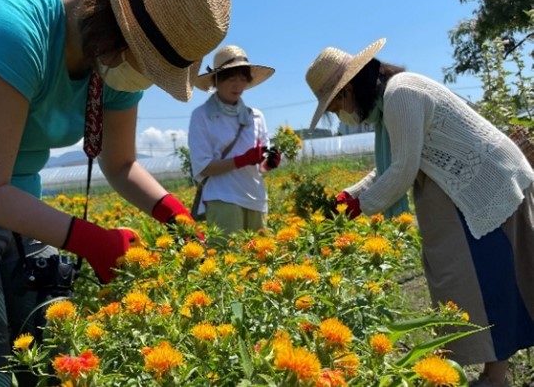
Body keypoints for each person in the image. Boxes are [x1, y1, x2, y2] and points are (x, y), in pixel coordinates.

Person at [0, 0, 230, 387]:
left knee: (61, 365)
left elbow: (120, 164)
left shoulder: (112, 65)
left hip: (16, 207)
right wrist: (92, 241)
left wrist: (179, 220)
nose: (148, 82)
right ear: (116, 35)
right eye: (149, 67)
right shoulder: (11, 28)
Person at [305, 38, 534, 387]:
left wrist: (357, 206)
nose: (340, 115)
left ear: (348, 89)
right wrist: (347, 197)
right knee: (483, 279)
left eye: (335, 106)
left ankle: (495, 377)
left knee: (490, 279)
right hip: (472, 186)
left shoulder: (401, 94)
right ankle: (494, 374)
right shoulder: (389, 103)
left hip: (488, 184)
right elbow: (391, 166)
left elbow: (402, 169)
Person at [188, 45, 281, 240]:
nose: (237, 85)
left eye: (242, 79)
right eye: (231, 79)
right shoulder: (202, 116)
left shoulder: (255, 116)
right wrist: (241, 160)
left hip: (255, 198)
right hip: (223, 198)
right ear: (216, 80)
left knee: (260, 262)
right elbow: (203, 166)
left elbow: (261, 168)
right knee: (227, 263)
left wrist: (269, 162)